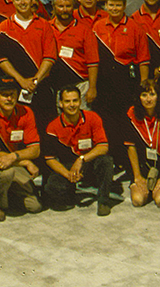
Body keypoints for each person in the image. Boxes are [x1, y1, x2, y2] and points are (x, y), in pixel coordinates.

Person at [0, 73, 42, 221]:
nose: (9, 99)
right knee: (6, 174)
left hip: (11, 159)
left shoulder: (26, 112)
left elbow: (35, 149)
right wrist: (25, 161)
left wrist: (14, 156)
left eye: (12, 94)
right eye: (4, 95)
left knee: (34, 206)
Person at [93, 0, 151, 156]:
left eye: (118, 6)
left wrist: (144, 84)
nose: (114, 9)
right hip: (104, 81)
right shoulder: (97, 26)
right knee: (107, 121)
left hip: (126, 80)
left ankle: (129, 159)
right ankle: (113, 156)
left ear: (124, 6)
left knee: (126, 119)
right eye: (111, 5)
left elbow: (143, 58)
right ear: (105, 6)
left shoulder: (135, 27)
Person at [0, 0, 58, 130]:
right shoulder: (4, 27)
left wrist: (35, 80)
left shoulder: (44, 26)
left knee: (43, 126)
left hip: (40, 85)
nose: (22, 2)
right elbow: (2, 60)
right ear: (13, 1)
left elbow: (50, 57)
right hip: (15, 86)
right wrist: (21, 80)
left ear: (31, 1)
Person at [43, 86, 113, 216]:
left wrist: (81, 159)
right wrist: (67, 174)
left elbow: (103, 146)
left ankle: (103, 201)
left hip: (88, 162)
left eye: (75, 101)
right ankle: (70, 192)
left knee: (106, 161)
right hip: (68, 166)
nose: (72, 105)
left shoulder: (92, 118)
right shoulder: (53, 127)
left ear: (80, 101)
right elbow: (49, 158)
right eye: (67, 101)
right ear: (60, 103)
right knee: (53, 189)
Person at [125, 78, 160, 208]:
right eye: (144, 95)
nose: (148, 99)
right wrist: (138, 176)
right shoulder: (132, 113)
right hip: (144, 165)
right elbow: (131, 147)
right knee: (138, 200)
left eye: (152, 94)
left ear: (158, 96)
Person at [48, 0, 99, 111]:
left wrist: (92, 87)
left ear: (74, 6)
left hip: (80, 84)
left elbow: (93, 61)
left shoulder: (84, 30)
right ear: (54, 7)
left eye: (68, 6)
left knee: (82, 122)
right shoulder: (46, 28)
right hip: (54, 86)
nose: (64, 10)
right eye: (60, 6)